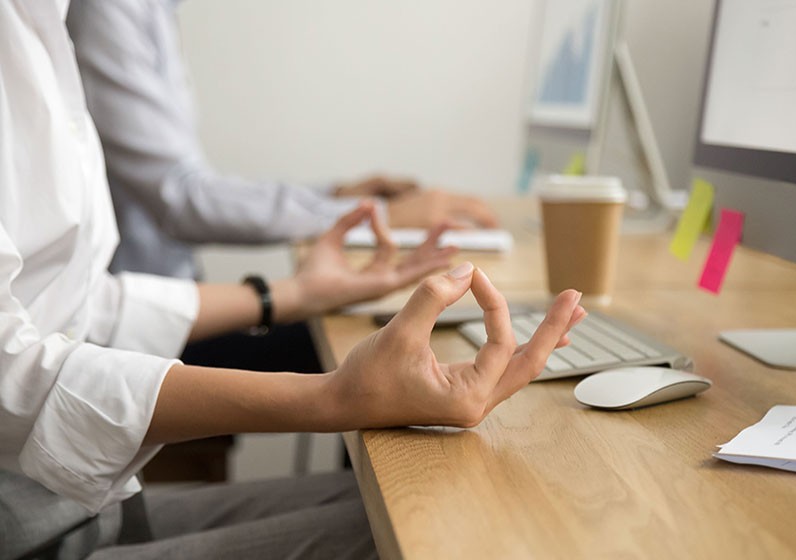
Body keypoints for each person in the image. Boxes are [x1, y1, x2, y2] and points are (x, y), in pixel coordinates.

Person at [0, 3, 585, 558]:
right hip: (29, 527)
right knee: (464, 533)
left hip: (67, 508)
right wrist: (334, 398)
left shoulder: (43, 21)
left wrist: (290, 294)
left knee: (445, 502)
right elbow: (12, 369)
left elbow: (71, 302)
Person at [66, 0, 500, 280]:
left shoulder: (152, 10)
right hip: (138, 329)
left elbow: (185, 183)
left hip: (168, 299)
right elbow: (180, 198)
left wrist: (335, 194)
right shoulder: (109, 9)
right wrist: (375, 215)